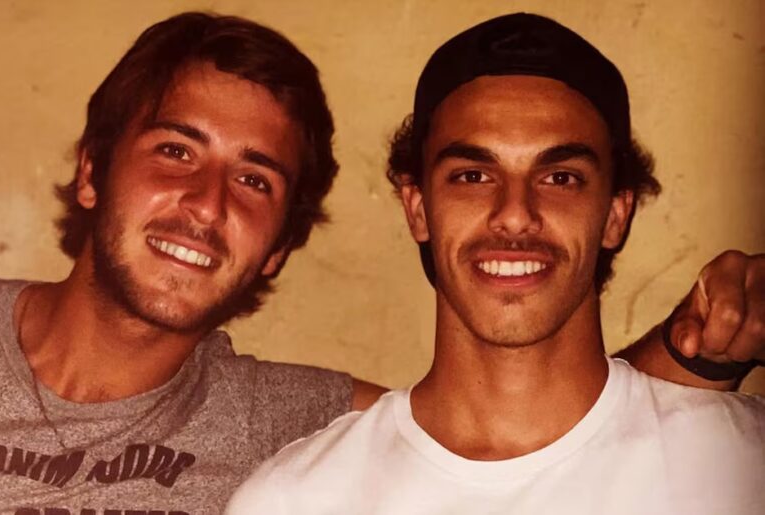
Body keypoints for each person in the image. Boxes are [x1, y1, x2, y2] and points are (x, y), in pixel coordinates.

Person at [0, 11, 761, 515]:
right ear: (90, 169)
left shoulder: (283, 427)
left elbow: (523, 428)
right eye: (175, 150)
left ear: (281, 242)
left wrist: (693, 357)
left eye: (254, 180)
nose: (207, 204)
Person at [226, 13, 764, 515]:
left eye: (560, 178)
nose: (514, 213)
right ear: (418, 209)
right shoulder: (295, 501)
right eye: (473, 176)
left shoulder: (741, 465)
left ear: (615, 216)